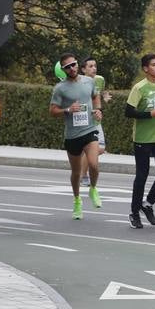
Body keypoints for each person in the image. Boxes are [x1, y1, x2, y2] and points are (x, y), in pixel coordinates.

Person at [49, 53, 103, 219]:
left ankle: (93, 188)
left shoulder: (89, 81)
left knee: (94, 165)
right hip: (72, 135)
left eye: (73, 64)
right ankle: (77, 200)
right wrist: (67, 110)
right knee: (76, 173)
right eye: (67, 67)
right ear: (63, 70)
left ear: (77, 64)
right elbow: (52, 111)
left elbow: (95, 96)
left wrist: (98, 110)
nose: (71, 68)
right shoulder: (60, 88)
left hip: (89, 129)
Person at [125, 54, 155, 229]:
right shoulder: (139, 88)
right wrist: (148, 114)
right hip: (143, 138)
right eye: (154, 65)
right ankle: (134, 212)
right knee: (142, 176)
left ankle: (148, 204)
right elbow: (128, 112)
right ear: (146, 69)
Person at [79, 57, 109, 185]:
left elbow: (100, 92)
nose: (94, 69)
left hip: (96, 119)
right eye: (90, 66)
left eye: (95, 66)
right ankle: (83, 176)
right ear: (83, 69)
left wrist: (105, 97)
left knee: (100, 148)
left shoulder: (100, 79)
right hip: (84, 120)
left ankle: (82, 174)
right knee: (92, 148)